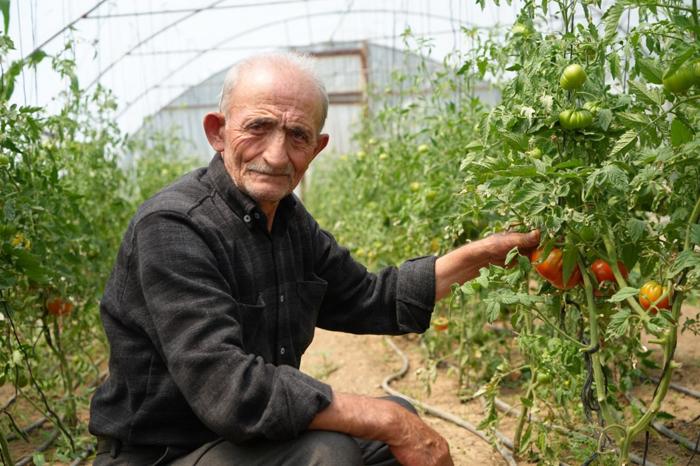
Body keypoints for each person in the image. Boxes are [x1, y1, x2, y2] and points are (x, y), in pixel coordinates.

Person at [89, 52, 540, 466]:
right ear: (217, 132)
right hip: (164, 454)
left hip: (240, 443)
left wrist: (479, 257)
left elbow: (369, 297)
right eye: (258, 127)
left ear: (317, 148)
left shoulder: (287, 221)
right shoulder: (173, 227)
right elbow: (230, 390)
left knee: (391, 425)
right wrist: (386, 420)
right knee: (329, 453)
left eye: (297, 135)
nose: (276, 154)